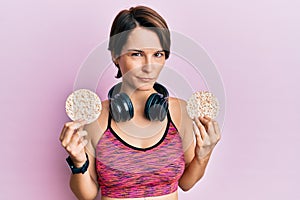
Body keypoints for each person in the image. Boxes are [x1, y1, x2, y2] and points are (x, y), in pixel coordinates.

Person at [59, 5, 221, 200]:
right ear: (116, 56)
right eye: (136, 54)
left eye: (157, 55)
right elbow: (87, 195)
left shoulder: (180, 112)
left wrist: (204, 154)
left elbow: (186, 183)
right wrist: (78, 162)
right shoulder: (96, 117)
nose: (149, 67)